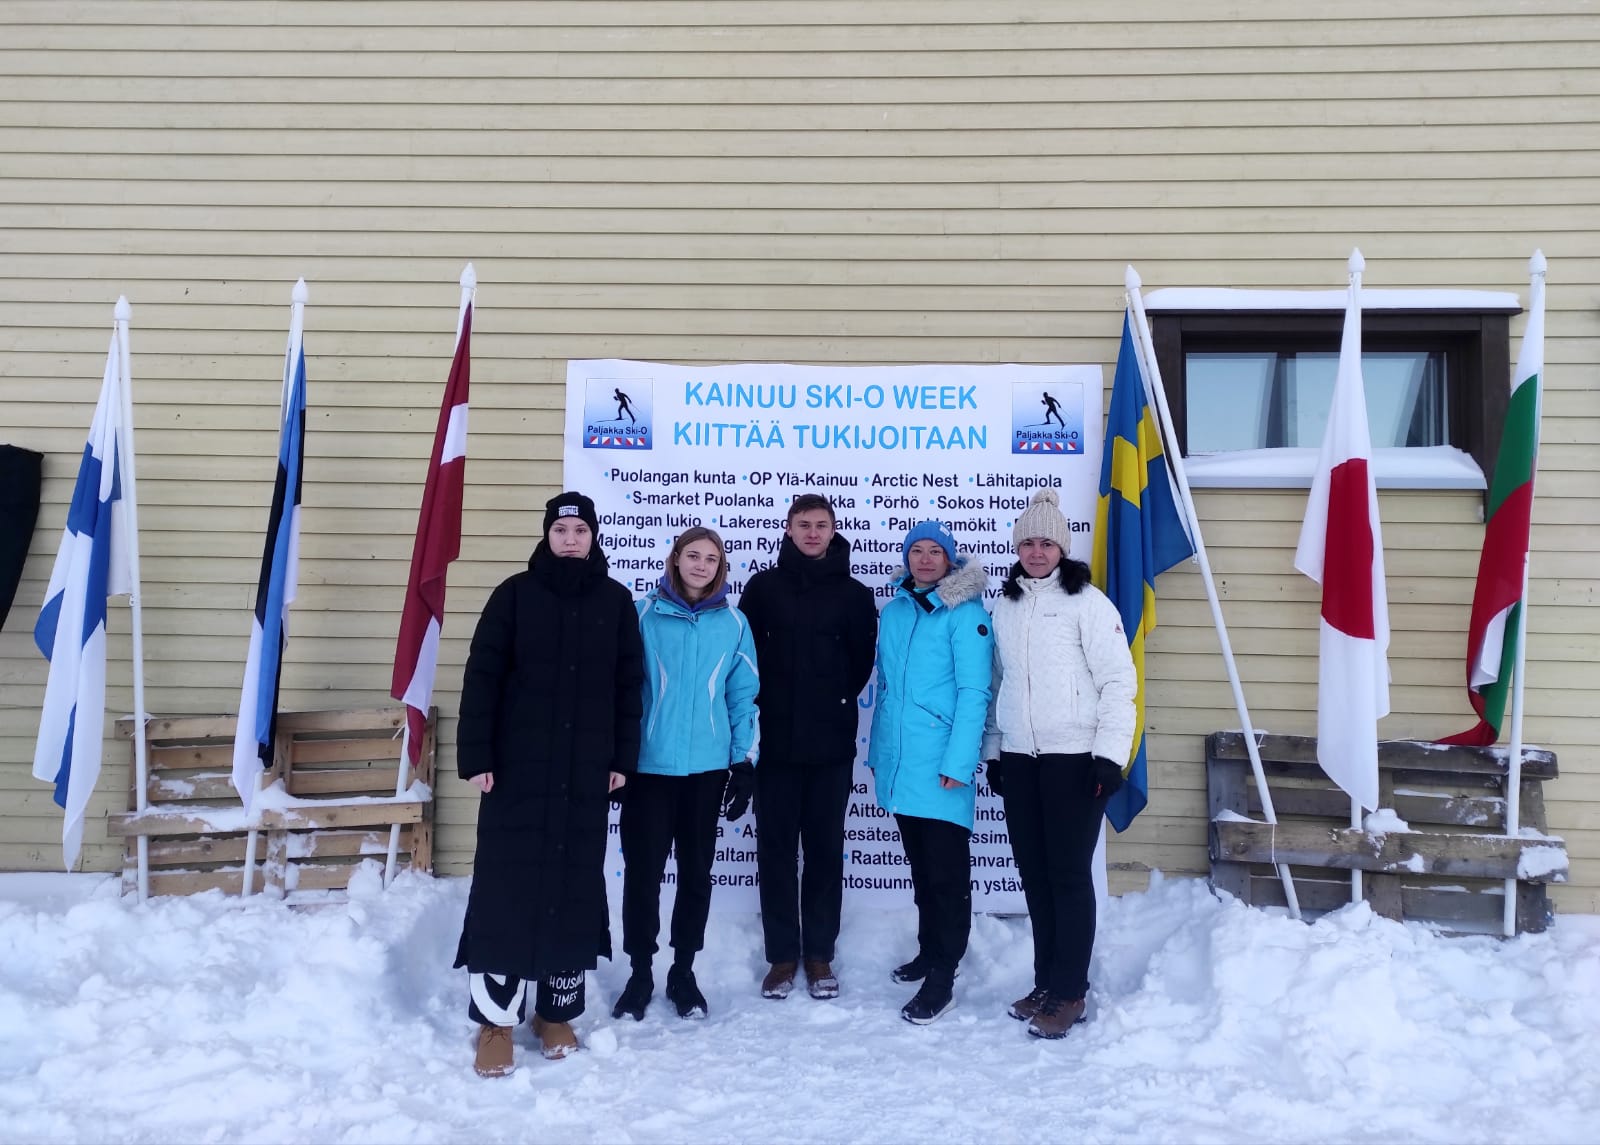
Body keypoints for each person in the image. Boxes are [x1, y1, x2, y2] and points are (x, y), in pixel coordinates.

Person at [454, 491, 644, 1078]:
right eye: (561, 530)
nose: (570, 540)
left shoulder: (615, 602)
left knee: (574, 888)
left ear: (593, 538)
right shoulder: (514, 595)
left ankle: (556, 1013)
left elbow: (627, 688)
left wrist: (621, 759)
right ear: (547, 536)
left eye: (580, 530)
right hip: (517, 771)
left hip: (585, 772)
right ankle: (496, 1021)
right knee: (507, 891)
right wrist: (477, 754)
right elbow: (482, 675)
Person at [982, 489, 1136, 1040]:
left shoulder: (1088, 604)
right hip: (1023, 760)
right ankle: (1045, 981)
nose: (1037, 551)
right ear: (1017, 547)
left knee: (1069, 877)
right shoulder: (1005, 606)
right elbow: (999, 684)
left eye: (1047, 542)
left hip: (1076, 761)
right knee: (1035, 875)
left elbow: (1119, 682)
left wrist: (1109, 757)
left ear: (1062, 548)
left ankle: (1070, 992)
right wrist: (996, 751)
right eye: (1028, 541)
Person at [612, 526, 760, 1022]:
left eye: (711, 559)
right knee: (643, 876)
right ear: (676, 560)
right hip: (648, 771)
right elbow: (620, 693)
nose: (701, 565)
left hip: (706, 772)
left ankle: (683, 971)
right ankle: (640, 972)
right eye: (692, 556)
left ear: (721, 568)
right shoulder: (641, 615)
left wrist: (743, 763)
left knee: (696, 875)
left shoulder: (735, 624)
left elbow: (743, 698)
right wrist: (616, 760)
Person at [738, 494, 878, 1001]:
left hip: (830, 747)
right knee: (774, 852)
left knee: (824, 852)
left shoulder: (855, 595)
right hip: (773, 746)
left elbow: (861, 665)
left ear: (833, 530)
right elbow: (744, 661)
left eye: (822, 525)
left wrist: (831, 700)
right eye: (804, 525)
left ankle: (819, 955)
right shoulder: (762, 589)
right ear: (790, 529)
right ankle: (782, 956)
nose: (813, 533)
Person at [866, 520, 992, 1024]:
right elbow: (889, 691)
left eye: (933, 552)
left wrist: (959, 764)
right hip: (901, 764)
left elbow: (975, 692)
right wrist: (881, 754)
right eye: (915, 551)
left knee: (946, 877)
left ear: (949, 560)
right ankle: (927, 951)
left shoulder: (966, 614)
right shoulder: (895, 610)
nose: (923, 559)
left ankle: (945, 975)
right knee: (922, 871)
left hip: (942, 767)